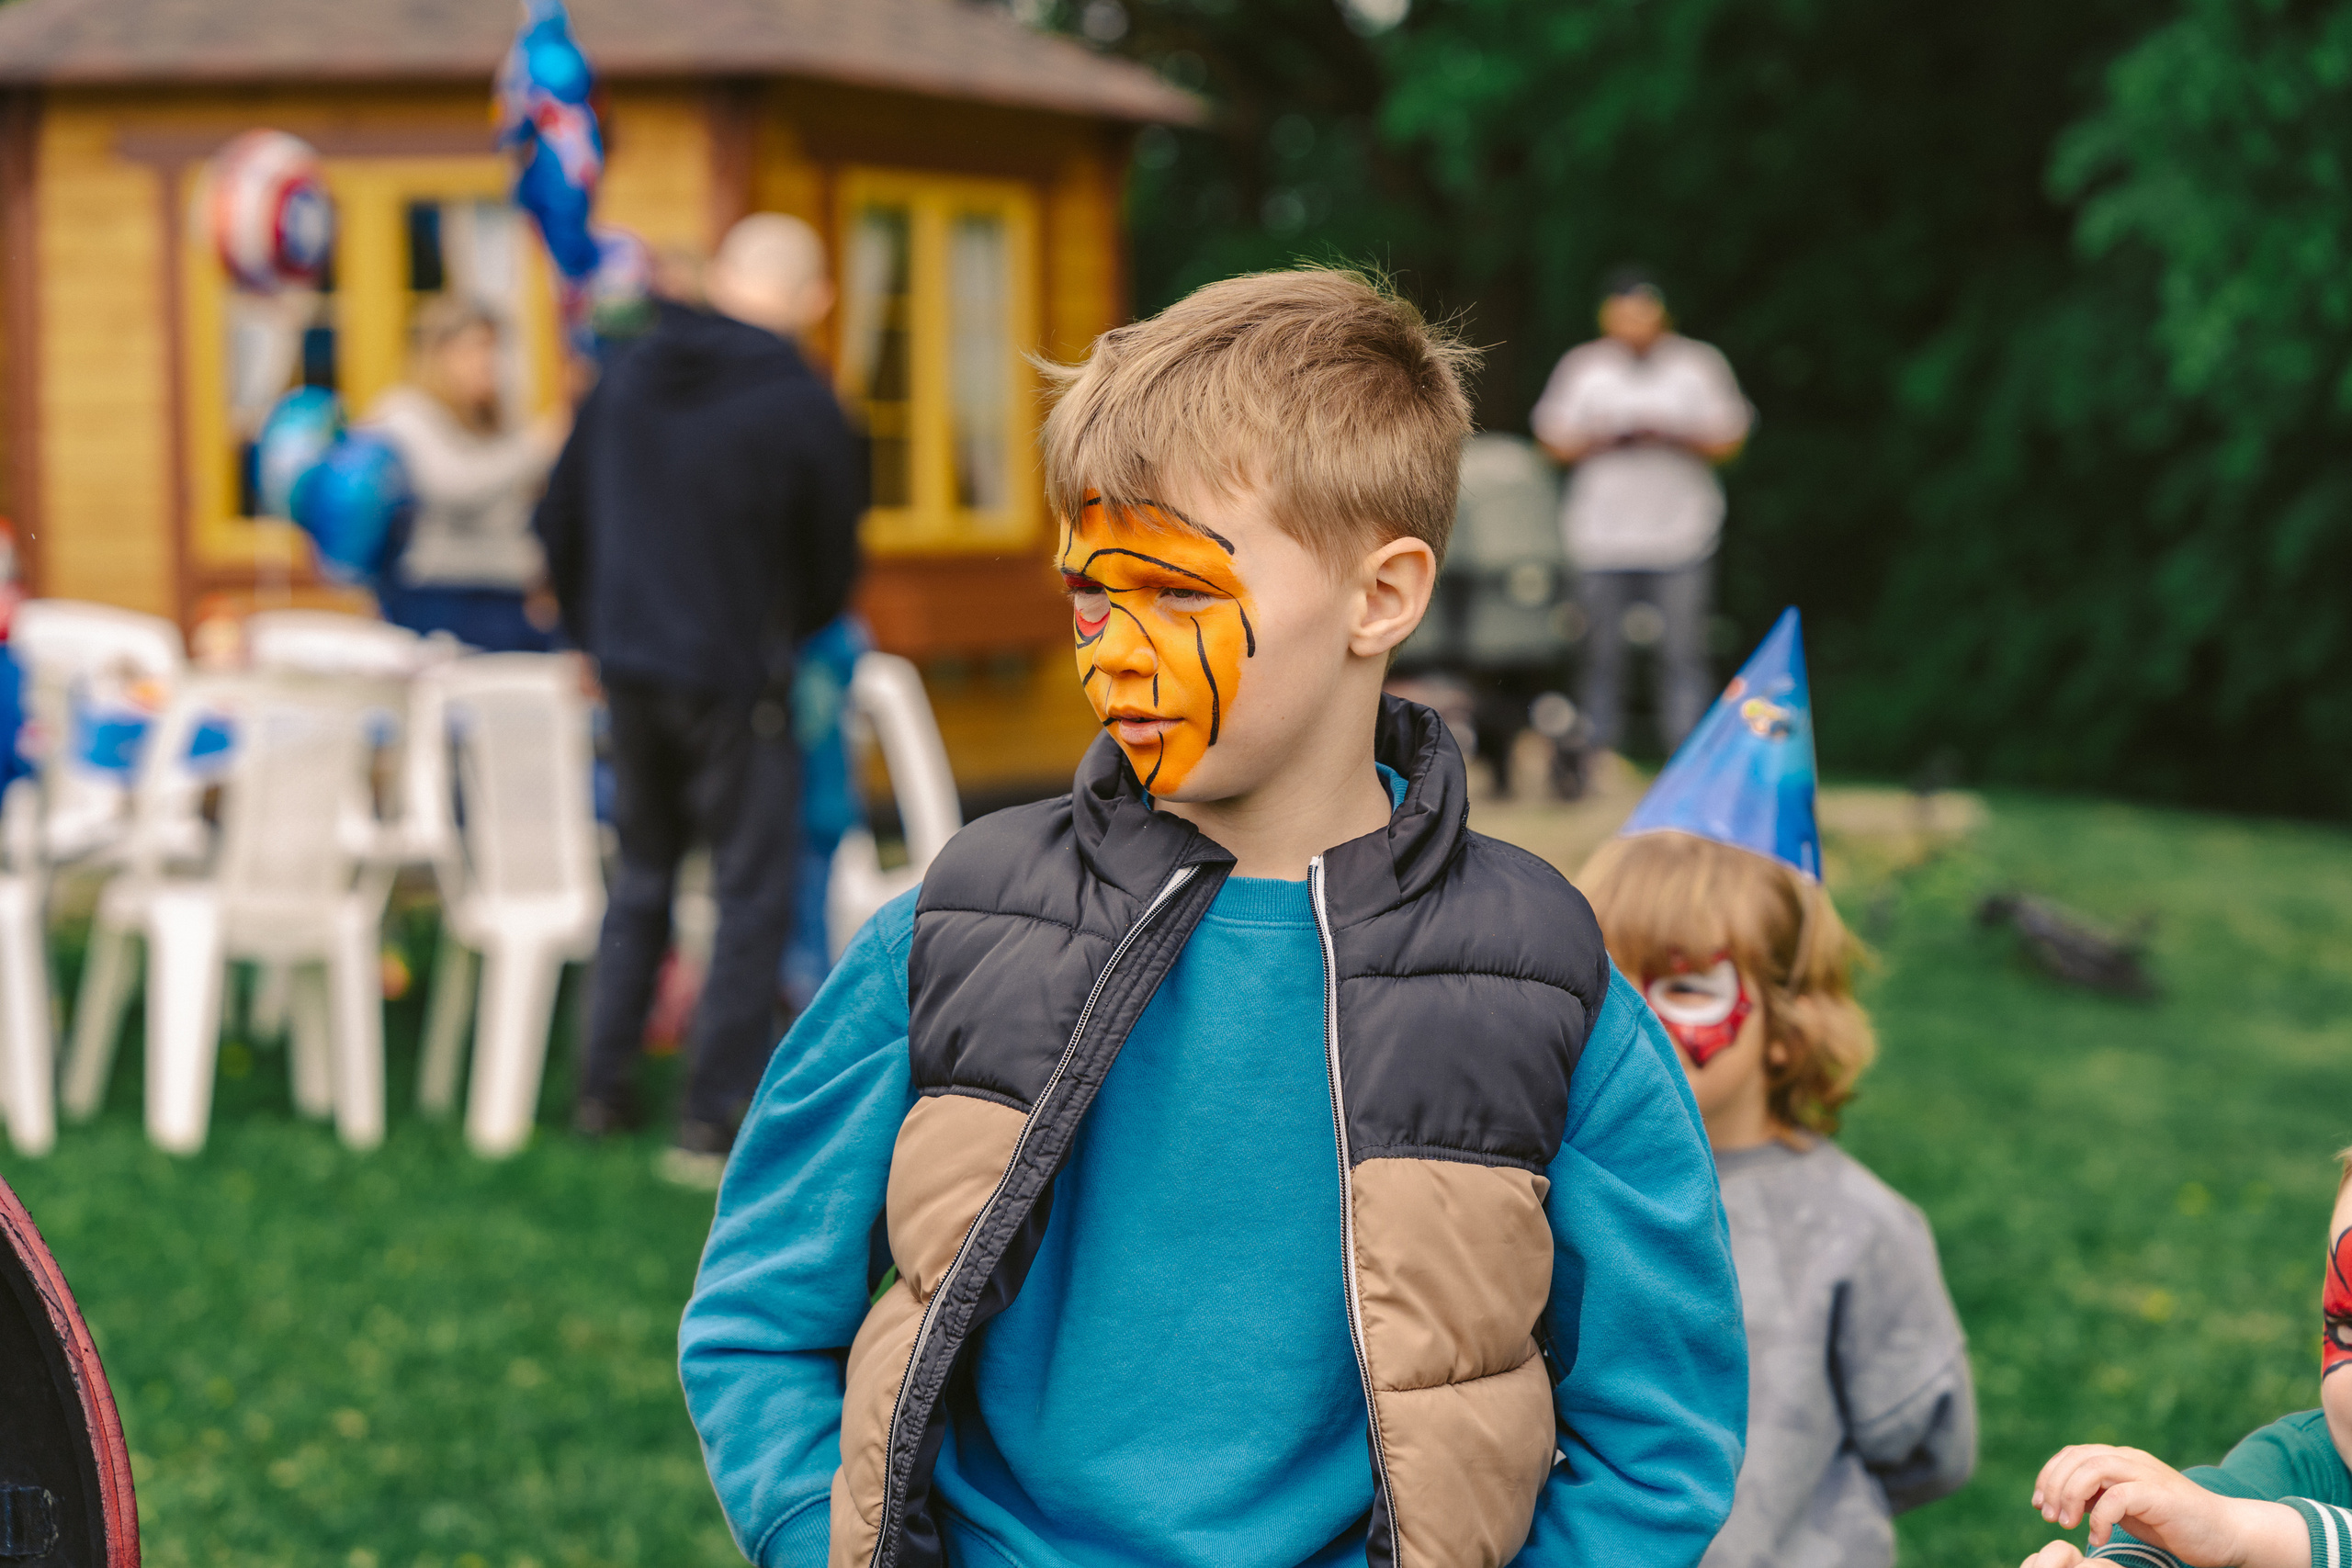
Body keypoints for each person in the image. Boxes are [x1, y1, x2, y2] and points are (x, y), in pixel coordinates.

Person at [680, 268, 1746, 1568]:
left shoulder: (1540, 981)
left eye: (1180, 592)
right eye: (1092, 594)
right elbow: (754, 1314)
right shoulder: (953, 927)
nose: (1117, 653)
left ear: (1383, 596)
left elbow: (1660, 1431)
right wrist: (819, 1538)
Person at [1578, 609, 1976, 1568]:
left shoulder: (1859, 1227)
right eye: (1608, 981)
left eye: (1682, 984)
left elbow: (1925, 1446)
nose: (1637, 1022)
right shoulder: (1556, 1191)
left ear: (1787, 1020)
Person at [535, 212, 862, 1179]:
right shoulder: (802, 401)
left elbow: (557, 516)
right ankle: (710, 1118)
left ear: (722, 277)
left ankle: (601, 1093)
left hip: (628, 667)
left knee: (640, 876)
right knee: (749, 894)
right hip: (736, 677)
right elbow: (831, 563)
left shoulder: (625, 371)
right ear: (813, 298)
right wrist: (784, 638)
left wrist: (593, 632)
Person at [2019, 1151, 2352, 1568]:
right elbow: (2207, 1506)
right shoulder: (2302, 1460)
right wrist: (2126, 1562)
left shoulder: (2252, 1527)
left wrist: (2246, 1535)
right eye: (2349, 1326)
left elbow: (2227, 1526)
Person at [1532, 268, 1751, 757]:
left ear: (1661, 313)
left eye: (1643, 313)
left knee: (1683, 652)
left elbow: (1731, 437)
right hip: (1601, 537)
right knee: (1598, 653)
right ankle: (1596, 756)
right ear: (1607, 317)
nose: (1634, 324)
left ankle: (1689, 755)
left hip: (1682, 536)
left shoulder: (1698, 364)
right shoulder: (1583, 367)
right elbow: (1551, 442)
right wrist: (1606, 438)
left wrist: (1672, 435)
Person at [365, 296, 570, 650]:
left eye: (494, 350)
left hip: (511, 599)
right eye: (474, 350)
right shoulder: (405, 414)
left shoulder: (498, 425)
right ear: (438, 354)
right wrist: (540, 445)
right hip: (440, 599)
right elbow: (456, 485)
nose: (487, 363)